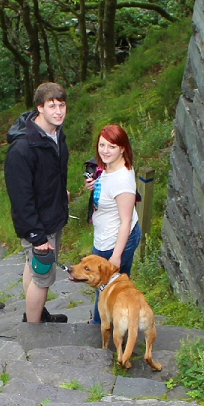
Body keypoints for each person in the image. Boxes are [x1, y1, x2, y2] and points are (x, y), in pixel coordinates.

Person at [5, 82, 71, 324]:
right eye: (52, 106)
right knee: (43, 276)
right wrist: (37, 235)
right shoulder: (22, 148)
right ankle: (33, 329)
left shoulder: (56, 135)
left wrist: (60, 192)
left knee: (33, 269)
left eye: (62, 105)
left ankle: (36, 313)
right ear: (39, 108)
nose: (58, 111)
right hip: (39, 225)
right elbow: (20, 197)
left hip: (53, 215)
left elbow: (50, 174)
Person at [84, 124, 141, 325]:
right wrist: (93, 185)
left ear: (122, 148)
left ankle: (103, 328)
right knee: (105, 287)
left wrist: (116, 256)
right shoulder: (108, 167)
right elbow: (105, 189)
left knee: (109, 288)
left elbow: (125, 222)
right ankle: (107, 325)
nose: (105, 151)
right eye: (101, 145)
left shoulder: (123, 180)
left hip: (116, 242)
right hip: (104, 238)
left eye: (111, 146)